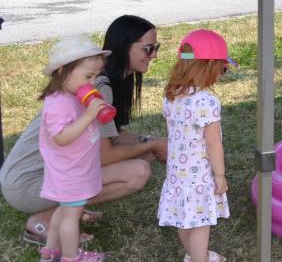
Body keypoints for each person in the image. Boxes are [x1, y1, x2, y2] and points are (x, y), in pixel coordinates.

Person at [1, 15, 166, 248]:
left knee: (142, 156)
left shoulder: (106, 78)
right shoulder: (100, 85)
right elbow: (105, 155)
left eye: (156, 48)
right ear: (124, 47)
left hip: (33, 176)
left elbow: (113, 134)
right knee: (137, 171)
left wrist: (149, 141)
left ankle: (68, 210)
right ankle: (46, 220)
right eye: (148, 49)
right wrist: (152, 145)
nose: (154, 55)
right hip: (28, 183)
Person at [157, 29, 232, 262]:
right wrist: (219, 174)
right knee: (201, 222)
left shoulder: (172, 94)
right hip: (199, 176)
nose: (222, 74)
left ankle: (193, 255)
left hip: (177, 173)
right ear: (209, 65)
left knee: (184, 217)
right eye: (223, 68)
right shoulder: (207, 101)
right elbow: (213, 142)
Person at [36, 35, 112, 262]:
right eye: (88, 76)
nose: (92, 81)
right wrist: (89, 115)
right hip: (69, 171)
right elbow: (60, 137)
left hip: (76, 167)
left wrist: (95, 112)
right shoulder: (57, 103)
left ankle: (50, 250)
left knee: (63, 211)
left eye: (96, 75)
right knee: (72, 215)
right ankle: (71, 256)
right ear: (62, 72)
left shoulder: (74, 95)